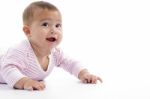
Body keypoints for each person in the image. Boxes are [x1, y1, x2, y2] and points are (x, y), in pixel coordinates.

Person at [0, 1, 102, 91]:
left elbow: (71, 63)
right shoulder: (20, 51)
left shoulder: (55, 53)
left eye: (58, 25)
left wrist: (84, 74)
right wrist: (25, 82)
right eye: (45, 24)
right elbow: (7, 69)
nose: (54, 30)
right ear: (28, 31)